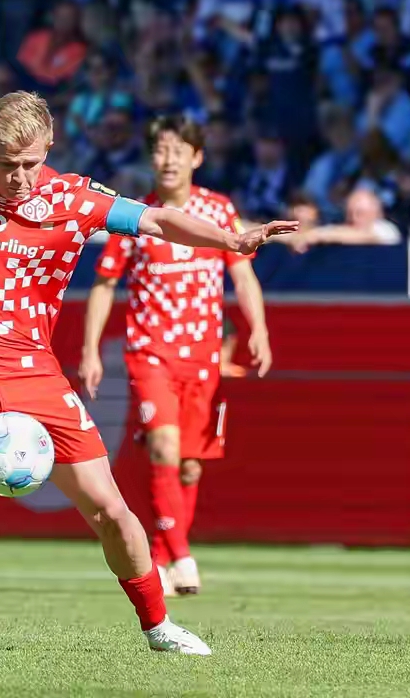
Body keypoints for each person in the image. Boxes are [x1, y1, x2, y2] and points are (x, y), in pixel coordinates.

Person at [0, 91, 298, 654]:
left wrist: (233, 240)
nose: (19, 177)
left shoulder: (74, 199)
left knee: (110, 509)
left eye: (30, 163)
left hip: (32, 374)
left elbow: (160, 220)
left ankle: (159, 625)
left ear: (49, 149)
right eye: (5, 163)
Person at [78, 115, 273, 597]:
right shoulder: (136, 216)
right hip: (150, 352)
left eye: (177, 150)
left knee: (189, 465)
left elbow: (243, 276)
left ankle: (162, 558)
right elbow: (104, 284)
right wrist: (89, 350)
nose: (167, 160)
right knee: (164, 449)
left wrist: (259, 330)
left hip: (203, 358)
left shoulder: (219, 211)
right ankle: (182, 556)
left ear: (196, 157)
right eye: (160, 151)